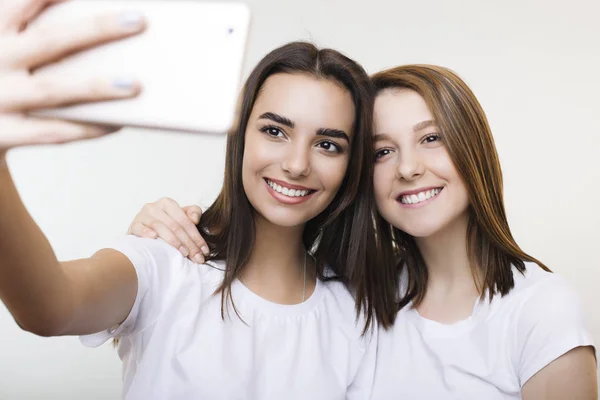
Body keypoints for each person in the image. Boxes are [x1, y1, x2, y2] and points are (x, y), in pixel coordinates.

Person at [0, 1, 398, 398]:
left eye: (328, 144)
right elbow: (49, 308)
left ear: (352, 163)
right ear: (240, 136)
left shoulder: (353, 311)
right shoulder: (166, 261)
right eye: (275, 131)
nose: (296, 165)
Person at [132, 65, 598, 398]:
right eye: (382, 152)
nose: (409, 168)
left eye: (431, 138)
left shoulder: (539, 308)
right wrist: (161, 228)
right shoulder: (351, 295)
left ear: (472, 148)